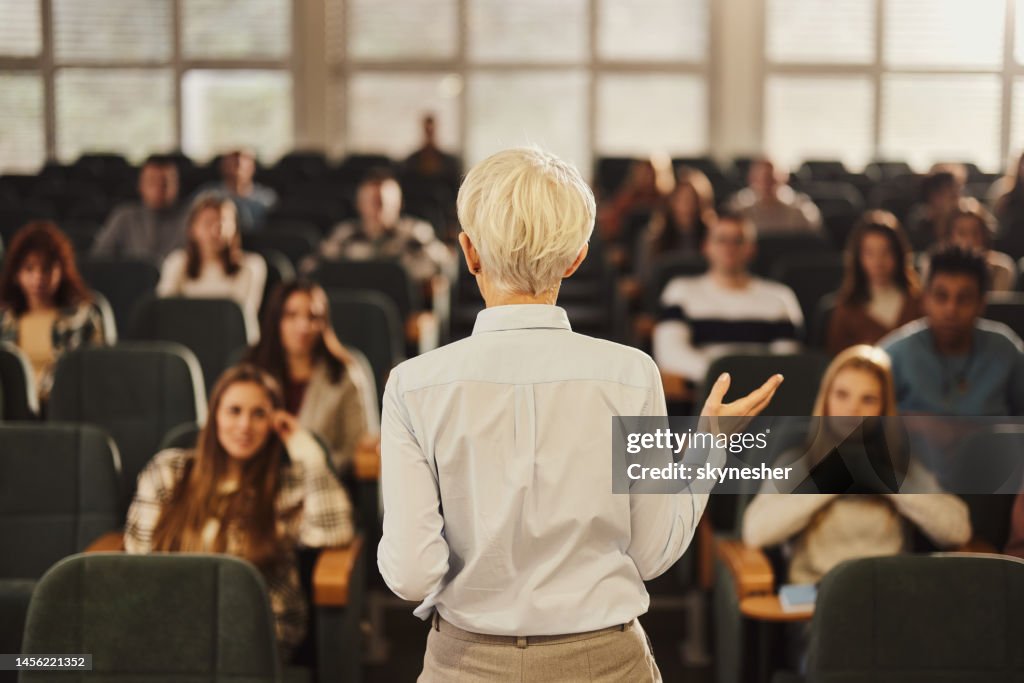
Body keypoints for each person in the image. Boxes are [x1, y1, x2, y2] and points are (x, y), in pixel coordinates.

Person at [377, 146, 783, 681]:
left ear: (469, 253)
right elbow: (652, 552)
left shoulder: (413, 385)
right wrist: (710, 442)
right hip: (606, 663)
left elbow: (411, 574)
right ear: (576, 259)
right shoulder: (632, 374)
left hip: (465, 663)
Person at [125, 364, 354, 660]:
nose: (245, 425)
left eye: (259, 414)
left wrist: (305, 450)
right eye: (234, 411)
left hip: (260, 624)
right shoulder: (170, 471)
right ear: (214, 415)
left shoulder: (286, 484)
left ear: (274, 422)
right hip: (175, 619)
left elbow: (333, 532)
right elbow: (138, 557)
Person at [742, 344, 972, 585]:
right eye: (842, 395)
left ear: (883, 408)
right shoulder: (797, 461)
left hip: (889, 592)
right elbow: (755, 532)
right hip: (816, 598)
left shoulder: (901, 463)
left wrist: (885, 481)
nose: (852, 409)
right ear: (826, 400)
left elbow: (957, 530)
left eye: (868, 399)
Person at [653, 212, 804, 387]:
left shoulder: (780, 297)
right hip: (702, 394)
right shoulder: (680, 291)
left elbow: (787, 359)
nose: (729, 248)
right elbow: (670, 355)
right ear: (706, 247)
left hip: (765, 397)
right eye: (721, 240)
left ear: (751, 249)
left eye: (738, 241)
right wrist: (724, 378)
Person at [246, 280, 378, 475]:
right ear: (276, 320)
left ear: (324, 323)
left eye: (313, 317)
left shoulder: (344, 373)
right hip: (256, 481)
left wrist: (313, 460)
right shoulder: (251, 369)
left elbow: (357, 447)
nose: (303, 326)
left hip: (321, 484)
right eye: (291, 315)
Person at [881, 245, 1024, 415]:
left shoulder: (1005, 350)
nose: (951, 310)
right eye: (941, 296)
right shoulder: (896, 353)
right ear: (925, 299)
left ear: (981, 304)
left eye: (964, 299)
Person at [0, 221, 106, 402]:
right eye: (29, 268)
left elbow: (96, 375)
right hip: (11, 411)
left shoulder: (83, 318)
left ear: (62, 271)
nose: (38, 278)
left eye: (47, 269)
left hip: (64, 408)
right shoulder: (4, 320)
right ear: (16, 274)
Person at [310, 168, 455, 287]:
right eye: (372, 201)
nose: (379, 209)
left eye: (384, 202)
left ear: (399, 203)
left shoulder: (415, 233)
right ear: (359, 204)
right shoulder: (344, 235)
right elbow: (312, 268)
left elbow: (445, 264)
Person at [157, 193, 267, 327]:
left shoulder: (252, 266)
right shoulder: (177, 262)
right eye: (208, 223)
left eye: (223, 222)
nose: (216, 230)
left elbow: (239, 319)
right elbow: (164, 311)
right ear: (192, 229)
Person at [827, 210, 922, 355]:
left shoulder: (918, 302)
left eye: (886, 252)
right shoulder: (847, 309)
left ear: (898, 255)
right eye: (870, 253)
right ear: (859, 258)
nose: (879, 262)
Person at [91, 155, 185, 263]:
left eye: (166, 183)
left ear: (177, 186)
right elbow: (99, 259)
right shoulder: (123, 216)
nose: (158, 189)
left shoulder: (191, 220)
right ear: (140, 186)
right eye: (152, 182)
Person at [634, 166, 715, 284]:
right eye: (681, 200)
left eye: (692, 200)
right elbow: (644, 280)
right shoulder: (652, 239)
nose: (687, 206)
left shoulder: (713, 237)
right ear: (671, 202)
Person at [725, 158, 822, 234]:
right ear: (751, 179)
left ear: (784, 178)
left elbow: (814, 238)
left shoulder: (801, 208)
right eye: (761, 179)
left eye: (771, 179)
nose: (766, 184)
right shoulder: (738, 206)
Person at [936, 199, 1016, 292]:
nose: (970, 239)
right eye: (962, 233)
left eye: (975, 232)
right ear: (949, 236)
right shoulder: (937, 266)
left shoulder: (1002, 268)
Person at [198, 149, 277, 232]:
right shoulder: (205, 196)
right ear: (222, 163)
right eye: (234, 156)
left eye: (245, 157)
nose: (239, 162)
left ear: (254, 165)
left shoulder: (268, 199)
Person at [402, 112, 462, 197]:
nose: (429, 134)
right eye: (427, 130)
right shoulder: (411, 162)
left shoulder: (451, 162)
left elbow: (456, 191)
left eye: (431, 130)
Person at [905, 169, 961, 252]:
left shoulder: (965, 224)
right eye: (951, 196)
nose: (957, 201)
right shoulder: (919, 228)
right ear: (933, 197)